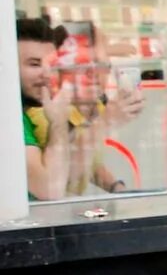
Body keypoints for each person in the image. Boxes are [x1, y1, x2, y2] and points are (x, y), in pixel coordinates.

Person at [19, 16, 141, 200]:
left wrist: (115, 186)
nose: (46, 74)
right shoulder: (28, 116)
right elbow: (55, 184)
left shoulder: (59, 105)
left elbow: (82, 159)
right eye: (34, 64)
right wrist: (105, 121)